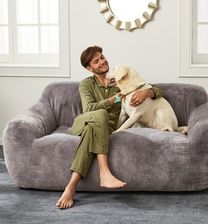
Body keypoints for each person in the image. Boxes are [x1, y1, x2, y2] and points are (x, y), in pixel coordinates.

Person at [56, 46, 163, 209]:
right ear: (89, 68)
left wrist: (147, 93)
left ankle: (70, 188)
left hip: (102, 129)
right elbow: (90, 109)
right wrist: (113, 100)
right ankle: (104, 172)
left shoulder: (119, 80)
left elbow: (158, 90)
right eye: (96, 61)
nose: (102, 62)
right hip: (83, 122)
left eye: (102, 57)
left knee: (94, 130)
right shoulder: (86, 84)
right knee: (100, 115)